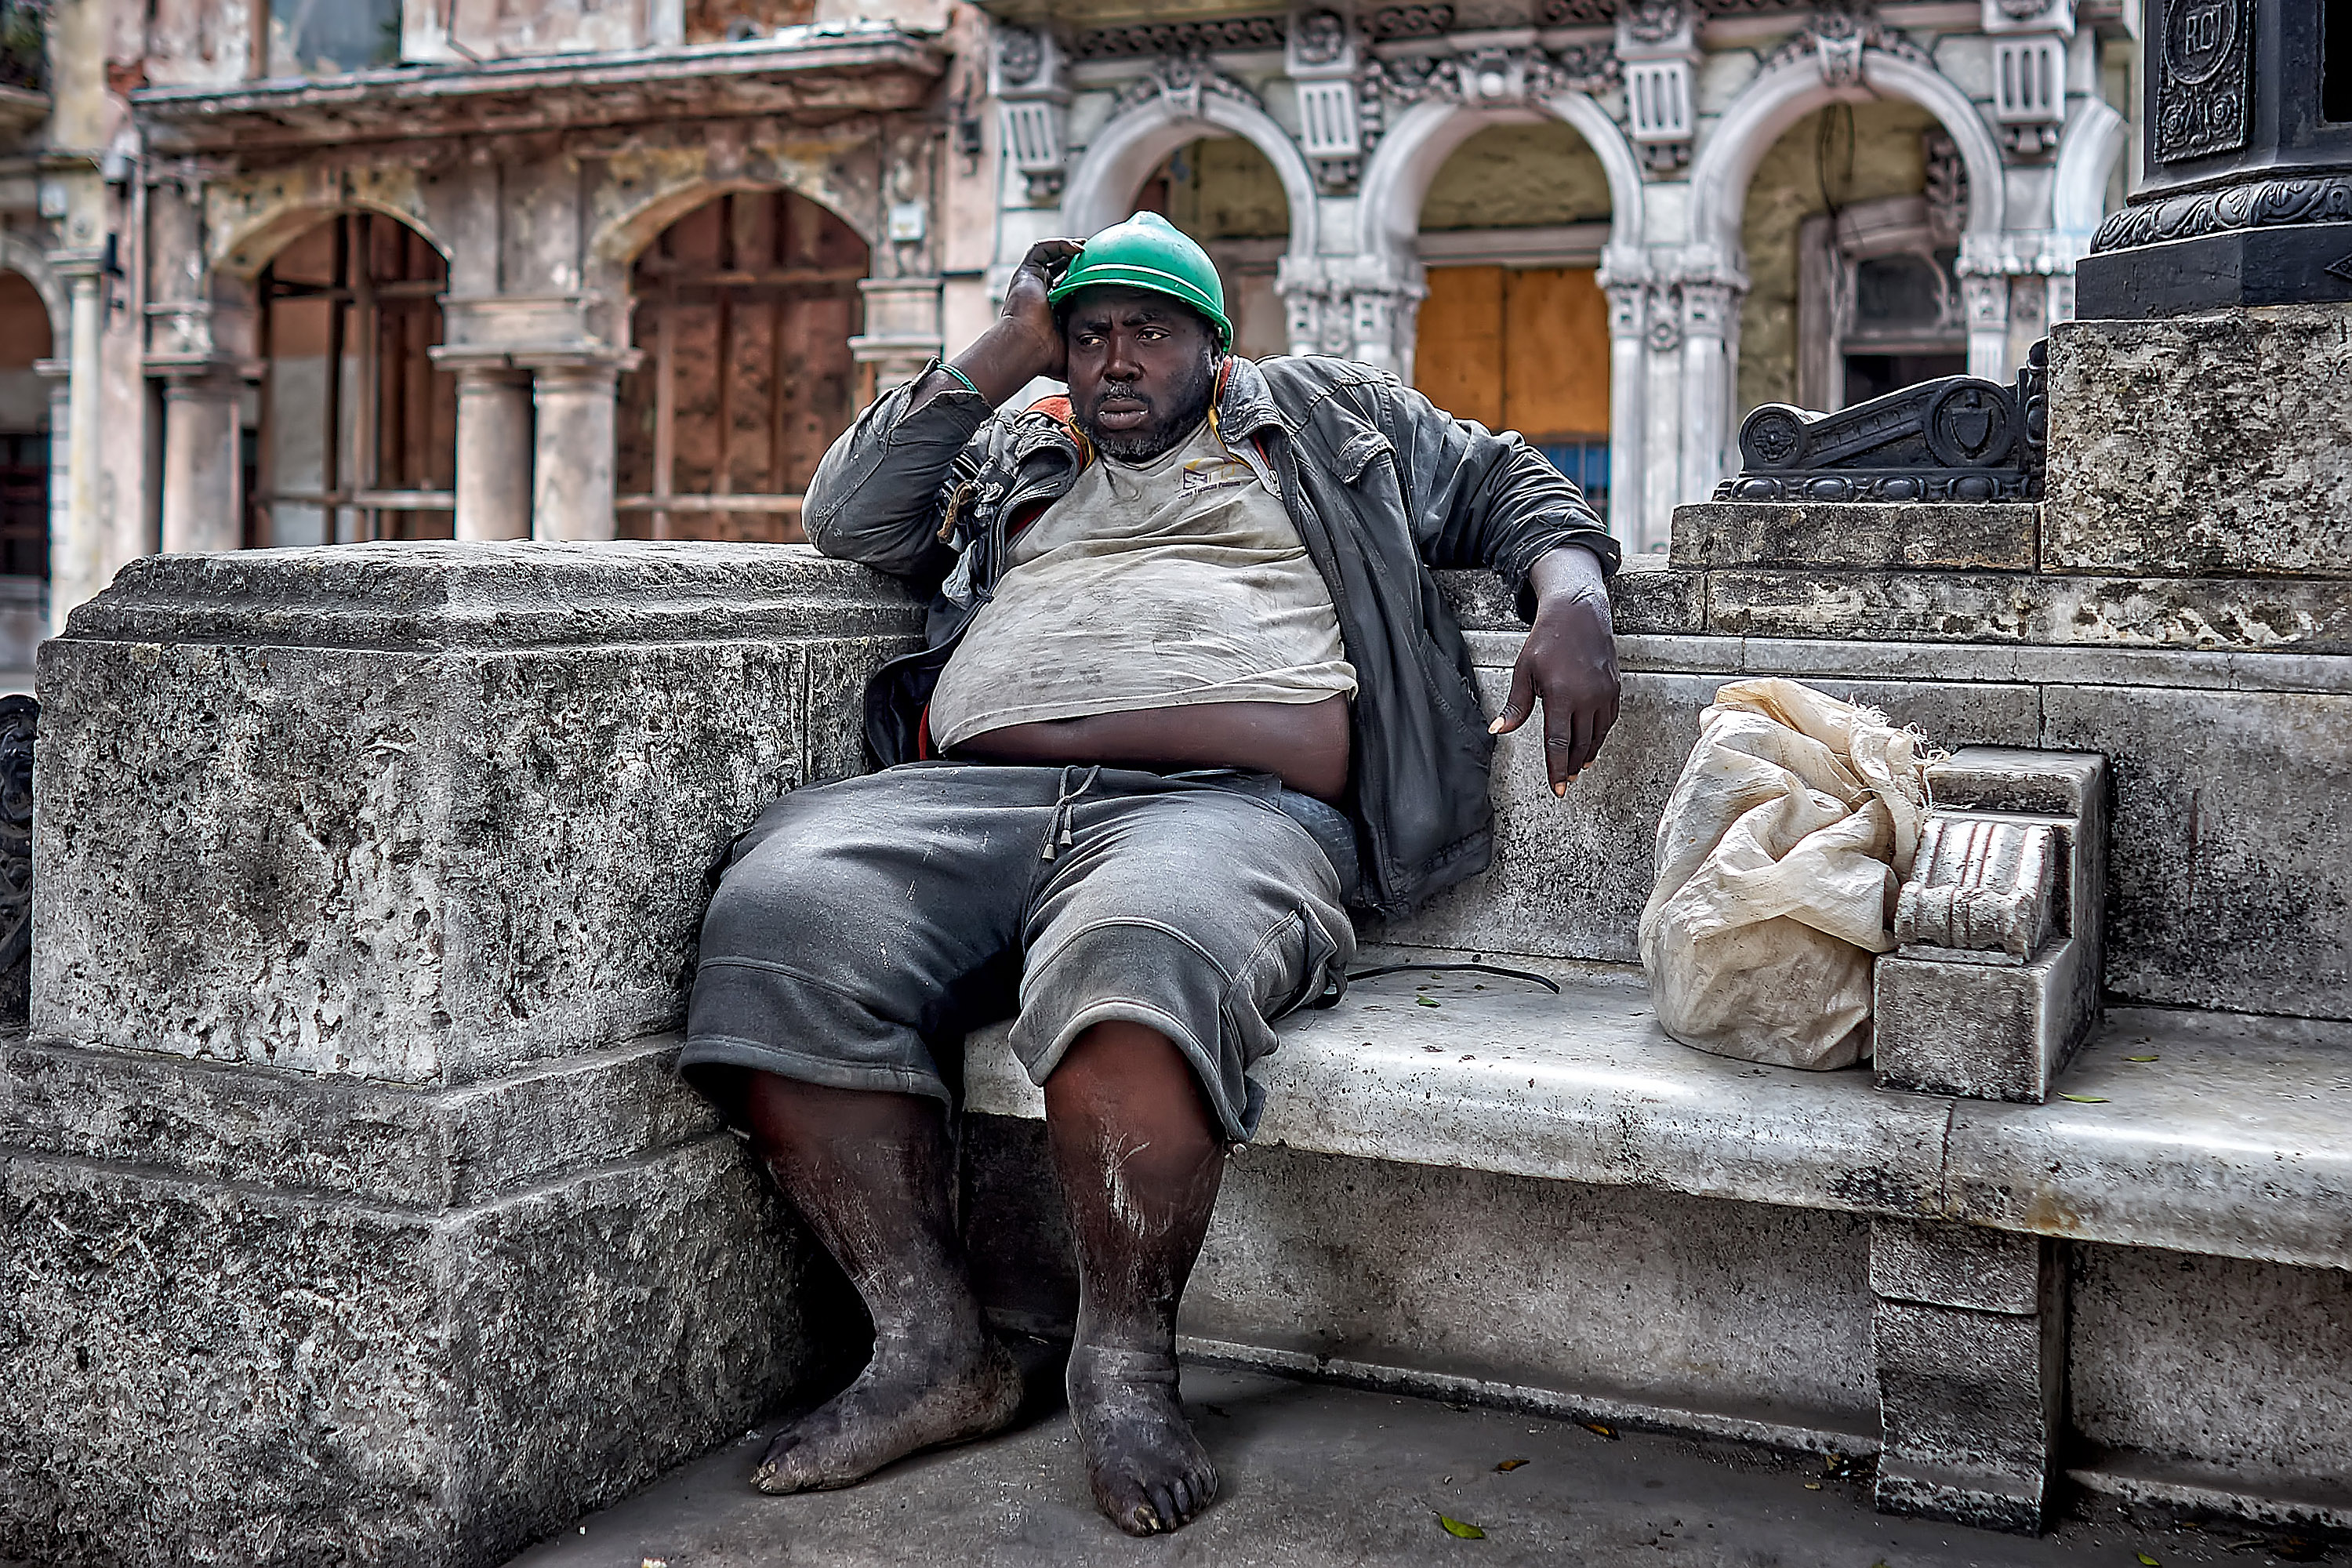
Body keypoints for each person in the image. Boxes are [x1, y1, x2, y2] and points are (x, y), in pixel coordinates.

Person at [683, 212, 1622, 1537]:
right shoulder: (1021, 439)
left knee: (1141, 960)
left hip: (1225, 813)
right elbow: (848, 519)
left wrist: (1573, 601)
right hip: (970, 799)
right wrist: (1010, 345)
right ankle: (930, 1351)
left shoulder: (1322, 414)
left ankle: (1123, 1362)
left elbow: (1513, 489)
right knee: (780, 917)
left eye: (1151, 331)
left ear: (1212, 344)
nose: (1118, 358)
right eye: (1092, 332)